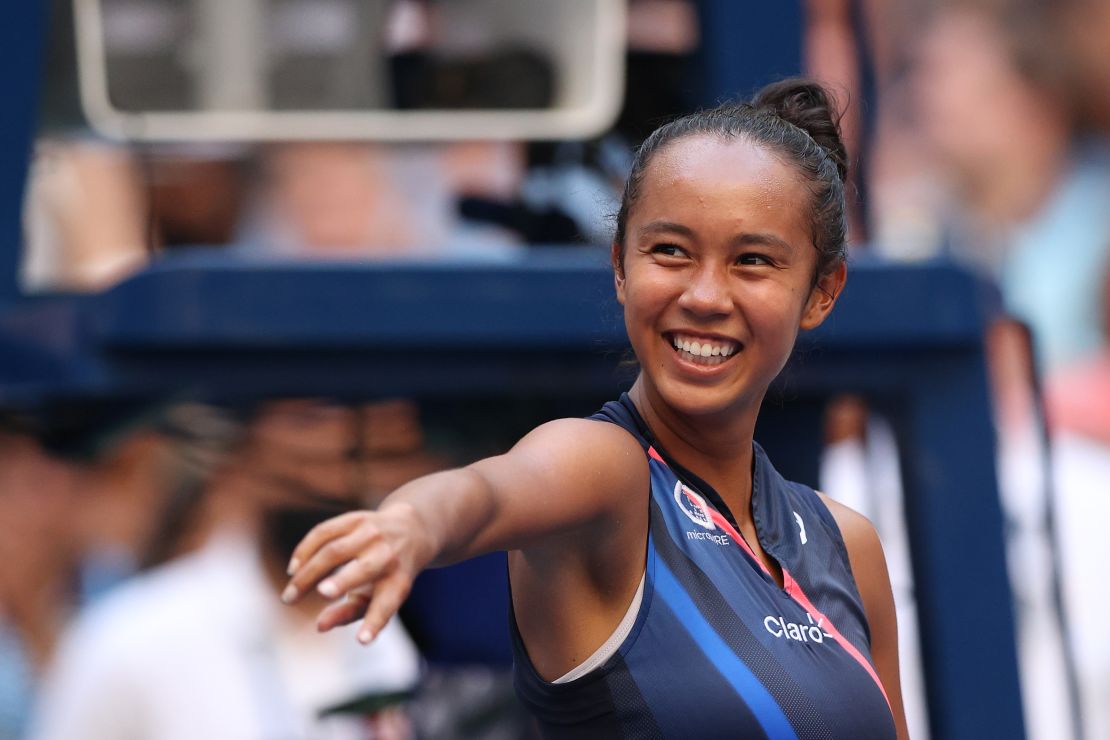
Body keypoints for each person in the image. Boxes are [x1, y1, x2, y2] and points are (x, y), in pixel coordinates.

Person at [282, 78, 910, 739]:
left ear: (821, 291)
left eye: (752, 261)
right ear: (620, 266)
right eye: (670, 251)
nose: (703, 294)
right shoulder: (607, 472)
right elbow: (491, 492)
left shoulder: (848, 544)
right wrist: (411, 526)